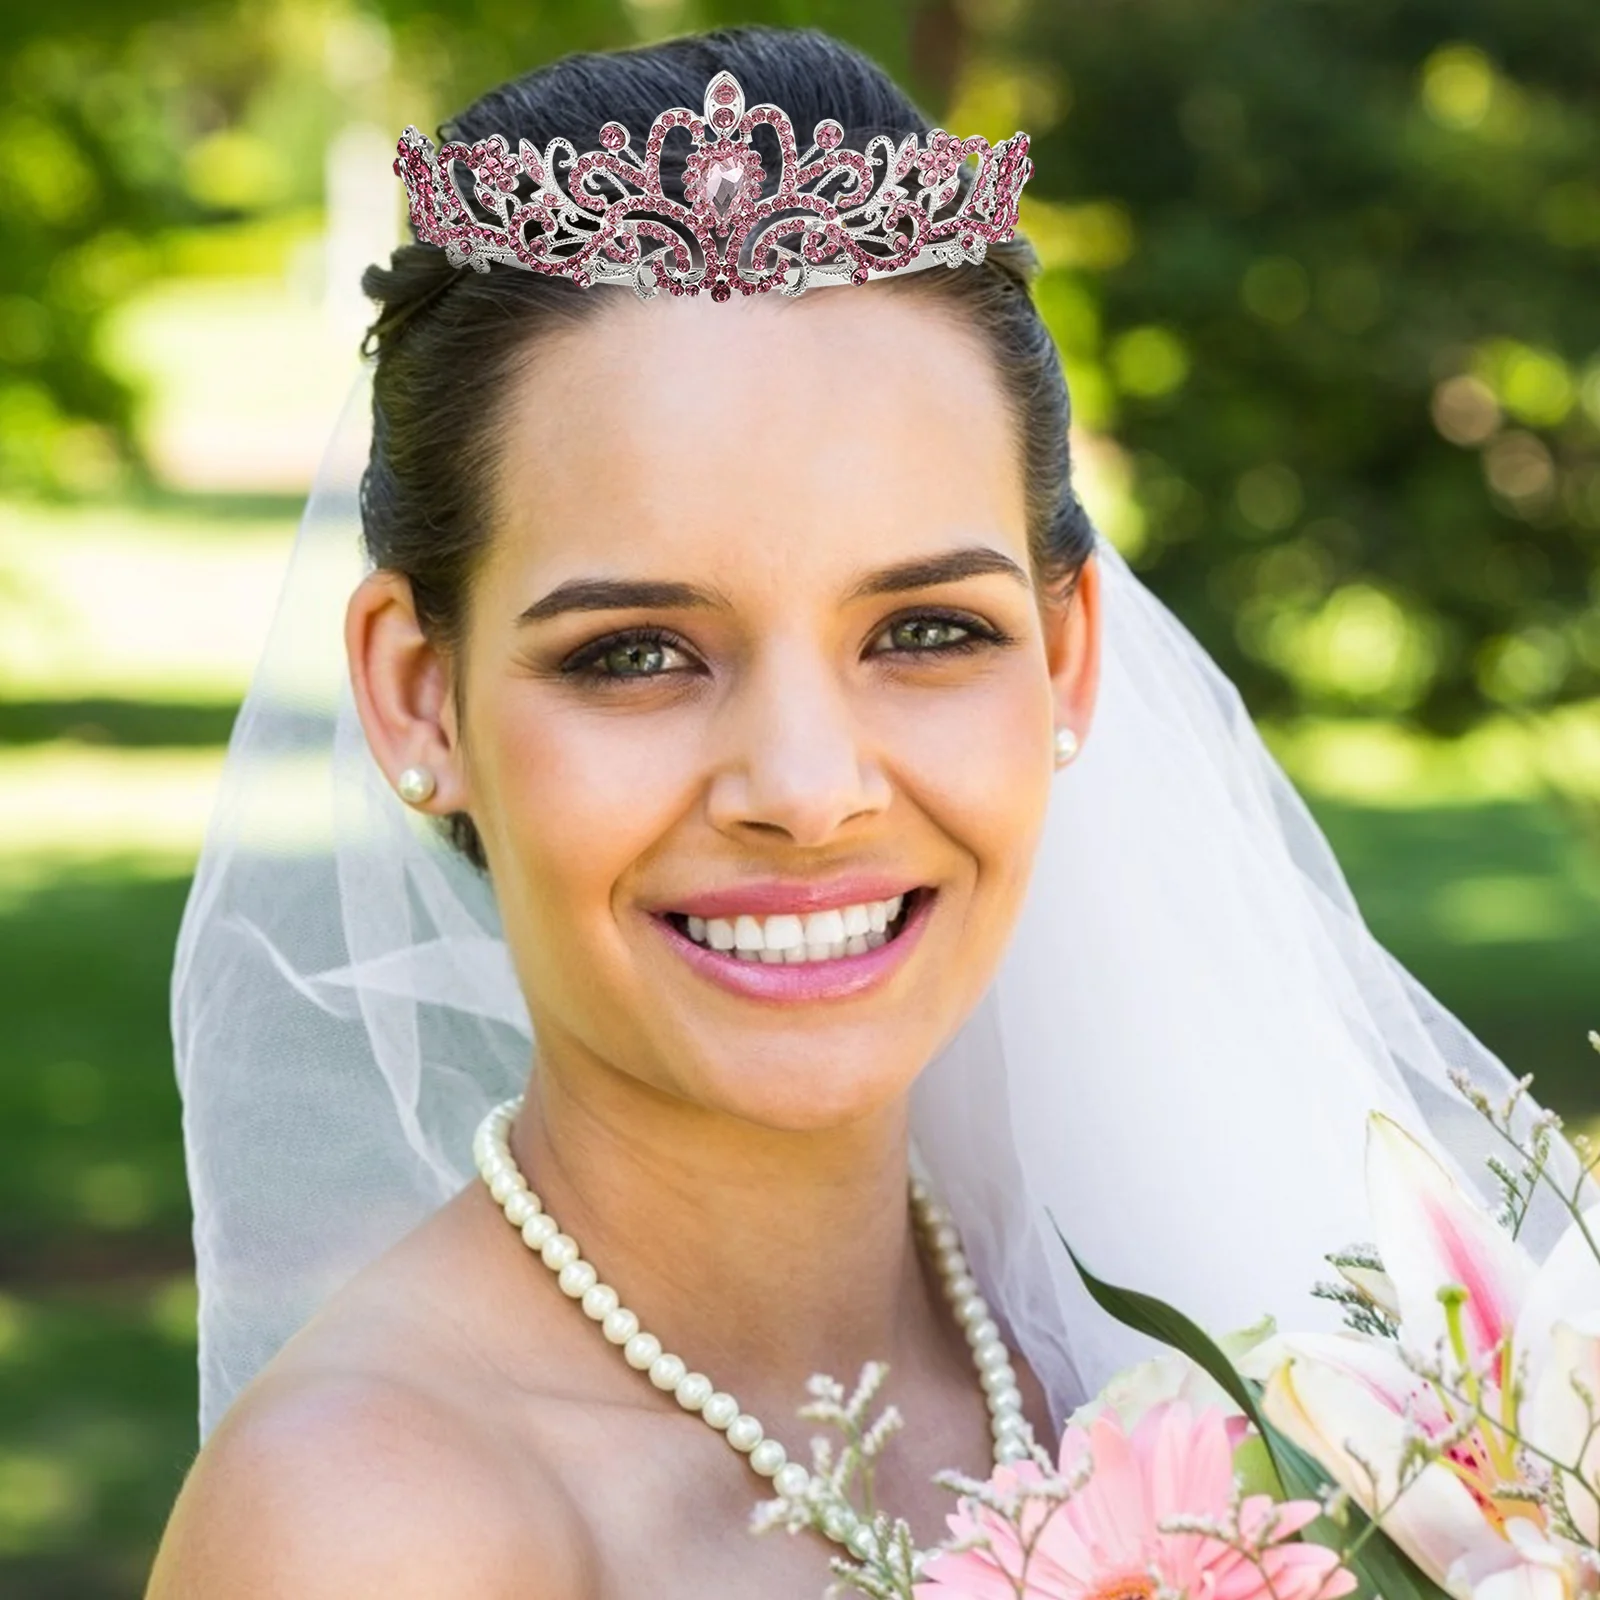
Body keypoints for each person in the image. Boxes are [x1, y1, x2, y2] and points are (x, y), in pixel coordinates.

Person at [146, 24, 1572, 1599]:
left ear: (1068, 654)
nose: (810, 793)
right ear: (421, 695)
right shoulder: (377, 1532)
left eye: (925, 633)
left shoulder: (1239, 1386)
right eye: (635, 654)